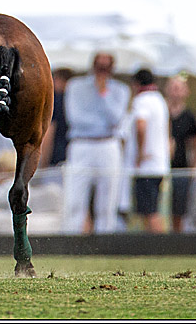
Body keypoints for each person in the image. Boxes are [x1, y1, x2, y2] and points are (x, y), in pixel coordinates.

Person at [61, 52, 130, 234]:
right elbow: (75, 118)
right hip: (81, 144)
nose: (102, 70)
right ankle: (71, 242)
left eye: (106, 67)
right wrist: (101, 121)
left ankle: (104, 243)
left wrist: (103, 93)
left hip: (108, 144)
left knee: (107, 203)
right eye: (100, 66)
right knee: (74, 200)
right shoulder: (76, 87)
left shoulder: (120, 90)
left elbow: (117, 118)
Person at [128, 69, 170, 234]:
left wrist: (140, 153)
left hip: (147, 166)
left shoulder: (142, 100)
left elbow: (141, 126)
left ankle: (158, 246)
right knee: (153, 208)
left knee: (149, 210)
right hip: (160, 164)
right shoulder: (160, 100)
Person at [165, 75, 196, 232]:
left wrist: (193, 168)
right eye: (173, 87)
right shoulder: (162, 112)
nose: (175, 92)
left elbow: (194, 145)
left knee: (179, 209)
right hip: (162, 167)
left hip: (181, 168)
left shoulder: (189, 116)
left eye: (179, 88)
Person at [40, 67, 74, 168]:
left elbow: (49, 131)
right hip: (72, 154)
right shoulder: (77, 103)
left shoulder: (56, 101)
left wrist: (43, 162)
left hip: (56, 157)